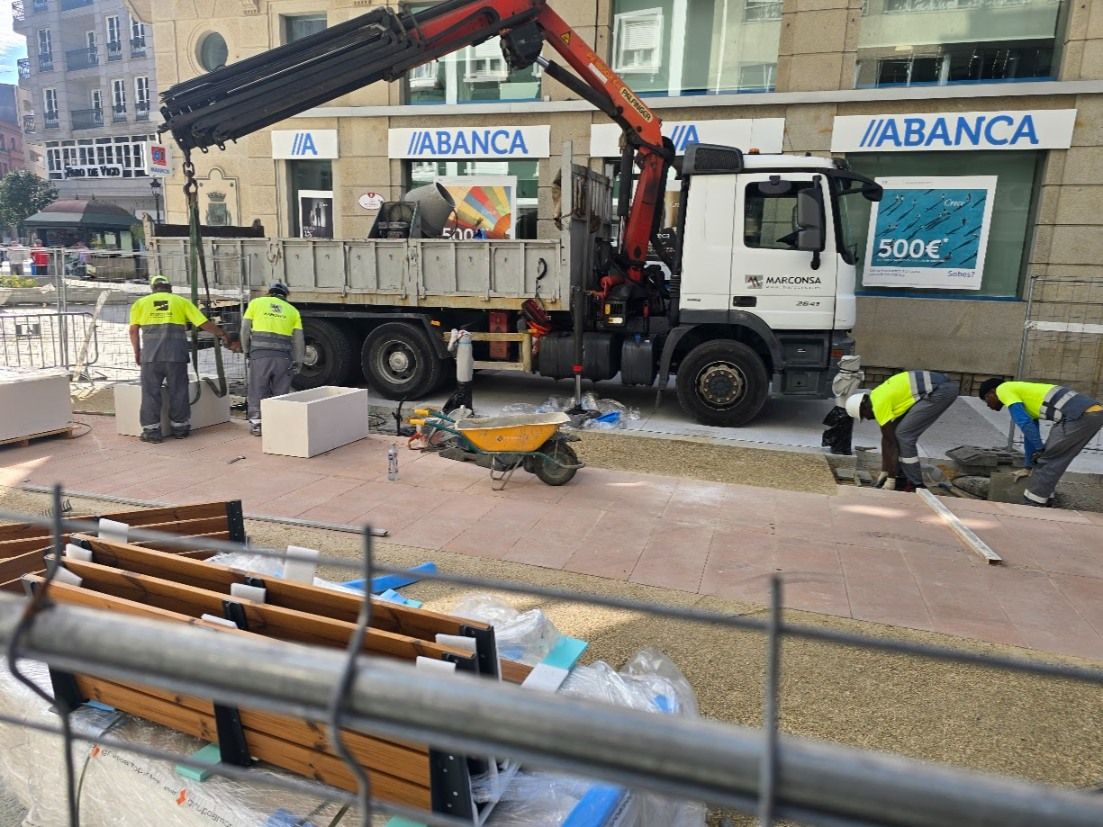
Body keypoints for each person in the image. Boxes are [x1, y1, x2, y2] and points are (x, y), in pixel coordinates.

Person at [129, 274, 233, 443]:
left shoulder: (140, 304)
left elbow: (133, 331)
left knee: (150, 393)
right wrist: (222, 334)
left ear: (153, 288)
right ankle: (180, 428)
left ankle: (152, 432)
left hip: (151, 357)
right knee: (179, 391)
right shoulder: (181, 302)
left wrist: (137, 352)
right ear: (170, 288)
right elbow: (203, 323)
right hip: (176, 356)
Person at [979, 378, 1103, 507]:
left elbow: (1024, 422)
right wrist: (1028, 466)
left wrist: (1040, 450)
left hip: (1078, 416)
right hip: (1091, 413)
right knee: (1055, 458)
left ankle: (1032, 504)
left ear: (992, 392)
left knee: (1047, 459)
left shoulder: (1003, 389)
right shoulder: (1022, 393)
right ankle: (1046, 499)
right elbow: (1030, 432)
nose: (988, 405)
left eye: (986, 399)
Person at [846, 370, 959, 491]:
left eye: (864, 415)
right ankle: (902, 477)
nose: (867, 419)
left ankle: (916, 484)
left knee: (904, 435)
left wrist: (891, 479)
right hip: (938, 387)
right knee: (898, 433)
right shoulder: (876, 395)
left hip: (940, 391)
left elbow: (891, 443)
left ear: (863, 406)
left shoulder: (879, 405)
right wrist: (884, 471)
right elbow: (886, 439)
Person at [240, 282, 304, 437]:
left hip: (260, 356)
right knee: (281, 392)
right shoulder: (293, 311)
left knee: (257, 389)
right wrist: (299, 361)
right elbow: (298, 340)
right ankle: (277, 424)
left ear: (269, 293)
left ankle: (257, 424)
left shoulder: (256, 303)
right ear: (285, 295)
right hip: (283, 358)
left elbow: (244, 330)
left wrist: (246, 350)